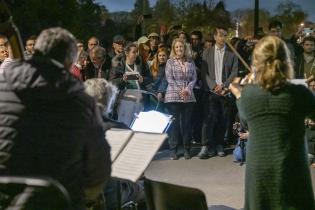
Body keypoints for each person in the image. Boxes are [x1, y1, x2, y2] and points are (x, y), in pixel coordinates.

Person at [0, 27, 111, 210]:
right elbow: (98, 171)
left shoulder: (2, 85)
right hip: (56, 201)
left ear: (35, 51)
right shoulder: (80, 100)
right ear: (69, 61)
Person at [229, 35, 315, 210]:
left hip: (259, 171)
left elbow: (245, 118)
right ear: (286, 61)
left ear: (257, 63)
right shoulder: (299, 93)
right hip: (292, 168)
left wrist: (239, 95)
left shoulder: (249, 95)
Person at [198, 26, 238, 159]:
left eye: (225, 35)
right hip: (211, 91)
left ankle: (220, 144)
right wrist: (214, 86)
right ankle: (205, 146)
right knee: (208, 118)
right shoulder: (207, 52)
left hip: (225, 91)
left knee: (223, 119)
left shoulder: (232, 53)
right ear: (215, 37)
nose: (223, 38)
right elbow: (204, 73)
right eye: (220, 35)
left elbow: (234, 72)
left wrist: (224, 86)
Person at [164, 38, 197, 160]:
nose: (179, 49)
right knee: (175, 124)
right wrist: (180, 91)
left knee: (186, 124)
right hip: (173, 96)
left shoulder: (190, 61)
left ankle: (187, 149)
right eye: (176, 47)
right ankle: (173, 149)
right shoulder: (170, 62)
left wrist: (187, 89)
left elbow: (194, 78)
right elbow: (170, 79)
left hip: (188, 97)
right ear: (174, 49)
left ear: (185, 48)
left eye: (181, 47)